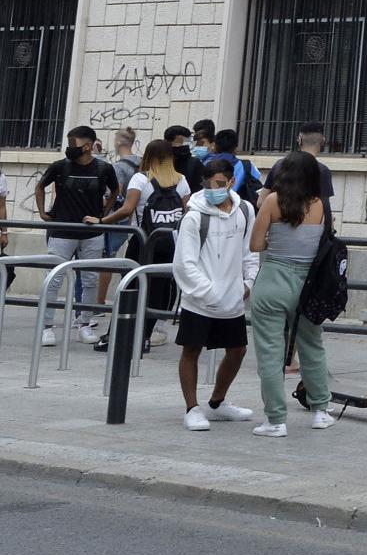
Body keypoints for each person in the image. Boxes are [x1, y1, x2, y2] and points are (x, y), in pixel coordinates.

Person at [248, 151, 335, 437]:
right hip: (308, 284)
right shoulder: (320, 204)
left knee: (270, 353)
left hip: (273, 279)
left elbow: (256, 245)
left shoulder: (273, 201)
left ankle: (275, 420)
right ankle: (321, 410)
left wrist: (277, 239)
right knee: (312, 345)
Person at [173, 158, 258, 432]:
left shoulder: (245, 209)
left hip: (233, 298)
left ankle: (218, 402)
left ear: (232, 182)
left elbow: (250, 252)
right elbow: (185, 263)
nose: (213, 189)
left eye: (219, 184)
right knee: (191, 350)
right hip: (200, 300)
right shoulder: (194, 216)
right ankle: (191, 408)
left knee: (237, 350)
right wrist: (207, 291)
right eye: (208, 184)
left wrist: (247, 283)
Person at [87, 139, 191, 350]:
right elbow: (188, 211)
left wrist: (101, 221)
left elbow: (127, 209)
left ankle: (117, 336)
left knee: (131, 287)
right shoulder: (181, 181)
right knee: (158, 292)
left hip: (142, 241)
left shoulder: (140, 179)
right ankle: (144, 338)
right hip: (170, 243)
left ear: (149, 156)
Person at [34, 125, 118, 347]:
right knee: (54, 278)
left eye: (74, 144)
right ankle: (47, 326)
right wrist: (43, 212)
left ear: (88, 146)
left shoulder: (104, 168)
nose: (70, 148)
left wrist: (103, 214)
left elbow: (116, 190)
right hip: (62, 230)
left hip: (91, 233)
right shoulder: (60, 166)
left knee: (90, 279)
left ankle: (84, 324)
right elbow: (40, 186)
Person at [95, 127, 142, 308]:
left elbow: (116, 195)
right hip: (134, 220)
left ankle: (99, 301)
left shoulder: (119, 167)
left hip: (117, 219)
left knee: (107, 258)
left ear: (120, 142)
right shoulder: (141, 162)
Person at [259, 122, 336, 217]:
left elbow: (261, 202)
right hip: (308, 229)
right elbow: (325, 209)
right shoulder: (322, 170)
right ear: (323, 141)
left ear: (299, 140)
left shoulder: (279, 165)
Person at [209, 129, 263, 202]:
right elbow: (258, 185)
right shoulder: (247, 166)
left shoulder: (206, 164)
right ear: (235, 148)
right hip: (240, 205)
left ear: (215, 146)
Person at [164, 125, 206, 193]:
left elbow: (199, 187)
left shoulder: (194, 163)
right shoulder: (159, 161)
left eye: (187, 142)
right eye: (180, 142)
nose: (184, 145)